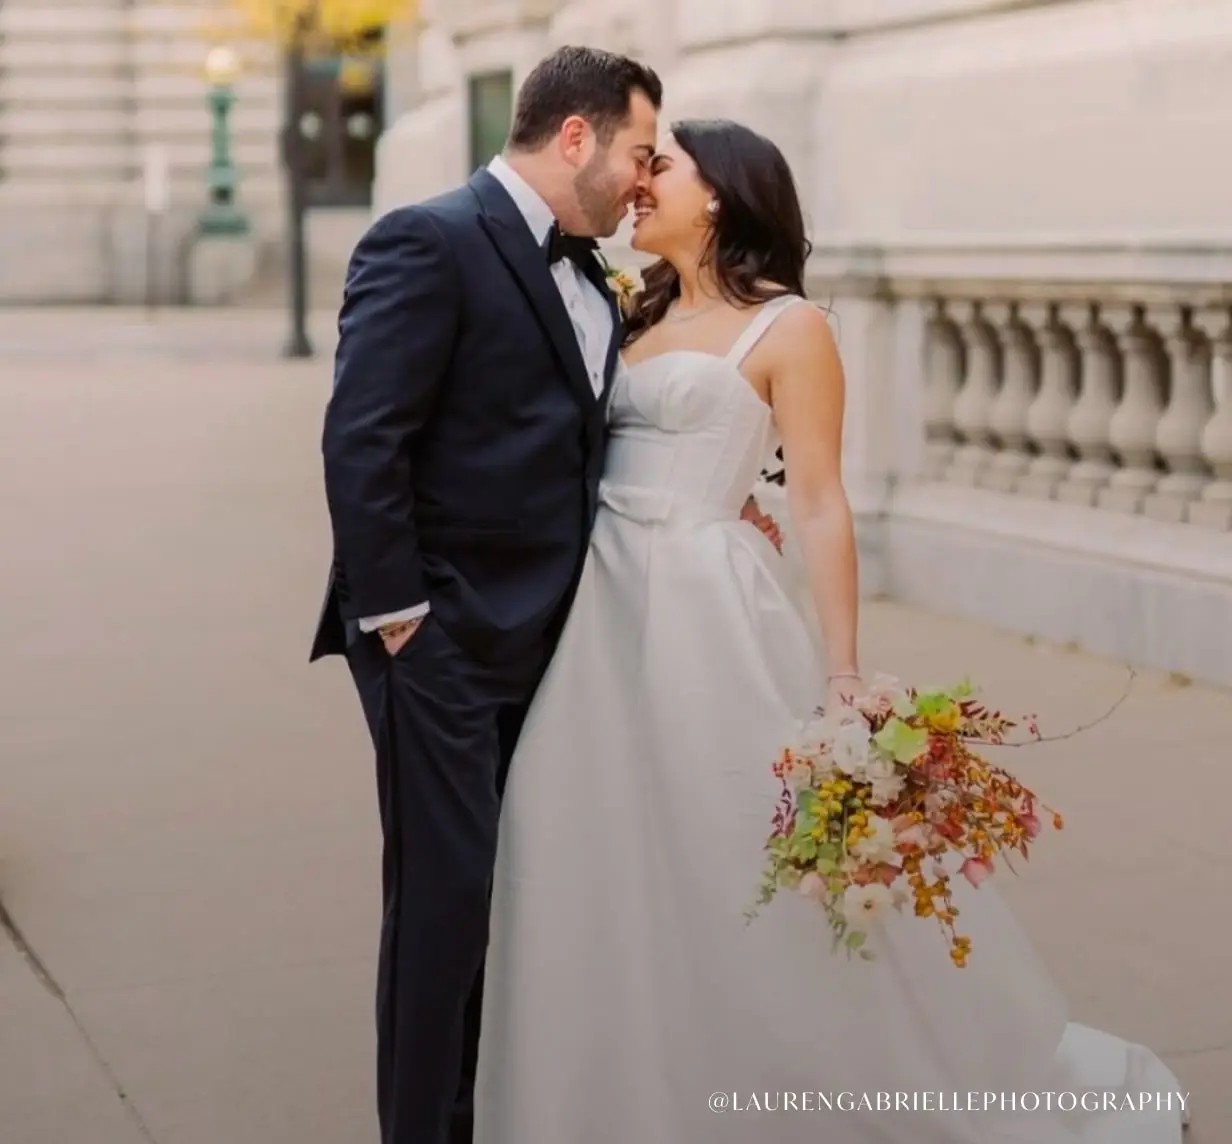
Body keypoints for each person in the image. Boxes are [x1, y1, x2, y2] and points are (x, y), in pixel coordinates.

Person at [472, 119, 1187, 1144]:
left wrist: (841, 670)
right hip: (594, 609)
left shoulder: (791, 328)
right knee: (586, 842)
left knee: (730, 849)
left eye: (659, 165)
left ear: (720, 194)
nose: (637, 182)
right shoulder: (621, 309)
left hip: (702, 612)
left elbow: (816, 501)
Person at [311, 47, 779, 1144]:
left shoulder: (596, 278)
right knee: (443, 913)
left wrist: (725, 497)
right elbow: (362, 439)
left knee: (526, 910)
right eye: (636, 152)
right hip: (443, 650)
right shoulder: (425, 239)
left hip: (565, 648)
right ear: (576, 138)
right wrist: (401, 623)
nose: (642, 178)